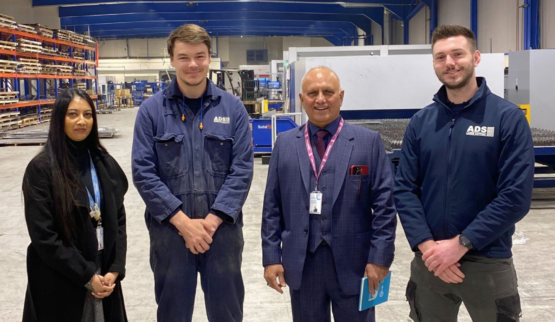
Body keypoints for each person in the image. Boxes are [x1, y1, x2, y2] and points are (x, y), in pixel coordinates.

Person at [394, 25, 534, 322]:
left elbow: (515, 197)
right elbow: (404, 189)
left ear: (476, 57)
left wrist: (460, 244)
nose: (450, 63)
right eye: (440, 57)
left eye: (457, 54)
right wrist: (428, 246)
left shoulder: (507, 119)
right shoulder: (421, 122)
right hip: (430, 263)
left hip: (487, 260)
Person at [132, 24, 253, 322]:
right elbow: (143, 172)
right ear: (172, 60)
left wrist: (211, 222)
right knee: (173, 312)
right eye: (184, 57)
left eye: (199, 56)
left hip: (221, 232)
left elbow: (242, 170)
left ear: (210, 57)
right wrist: (184, 223)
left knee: (227, 312)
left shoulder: (233, 108)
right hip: (170, 233)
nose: (193, 64)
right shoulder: (151, 111)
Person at [262, 66, 397, 322]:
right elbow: (272, 207)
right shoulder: (285, 143)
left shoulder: (368, 142)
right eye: (312, 93)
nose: (320, 99)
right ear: (302, 99)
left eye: (328, 92)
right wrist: (271, 257)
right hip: (302, 265)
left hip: (356, 265)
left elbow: (385, 208)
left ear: (341, 96)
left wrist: (379, 259)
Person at [22, 89, 128, 322]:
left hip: (104, 273)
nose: (82, 121)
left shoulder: (104, 162)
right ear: (59, 119)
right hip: (63, 277)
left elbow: (118, 218)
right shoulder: (41, 169)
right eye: (73, 114)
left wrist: (116, 267)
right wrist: (87, 275)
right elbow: (45, 238)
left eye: (88, 114)